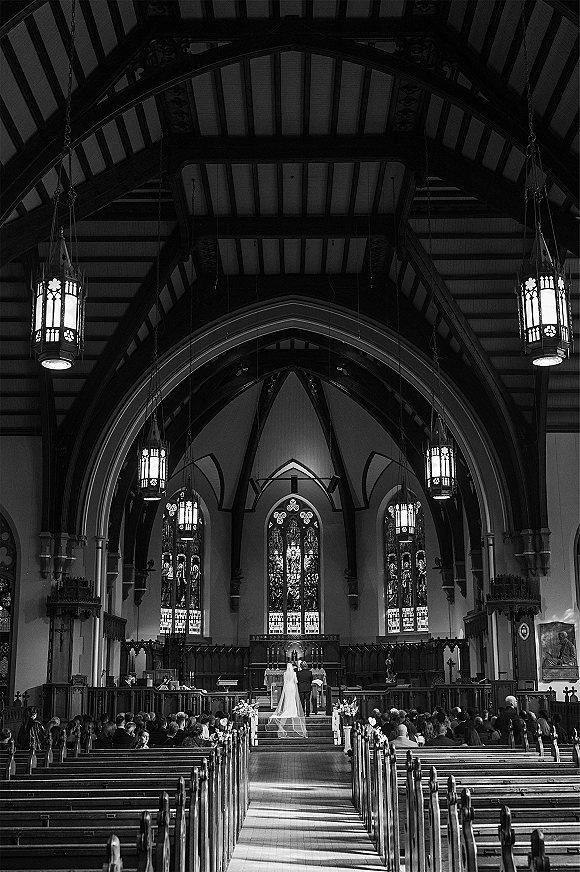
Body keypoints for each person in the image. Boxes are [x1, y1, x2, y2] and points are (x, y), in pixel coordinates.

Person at [267, 662, 307, 739]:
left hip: (287, 687)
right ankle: (293, 711)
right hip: (292, 687)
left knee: (287, 700)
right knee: (292, 699)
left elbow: (285, 682)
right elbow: (296, 681)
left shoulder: (285, 673)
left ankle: (287, 710)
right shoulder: (294, 673)